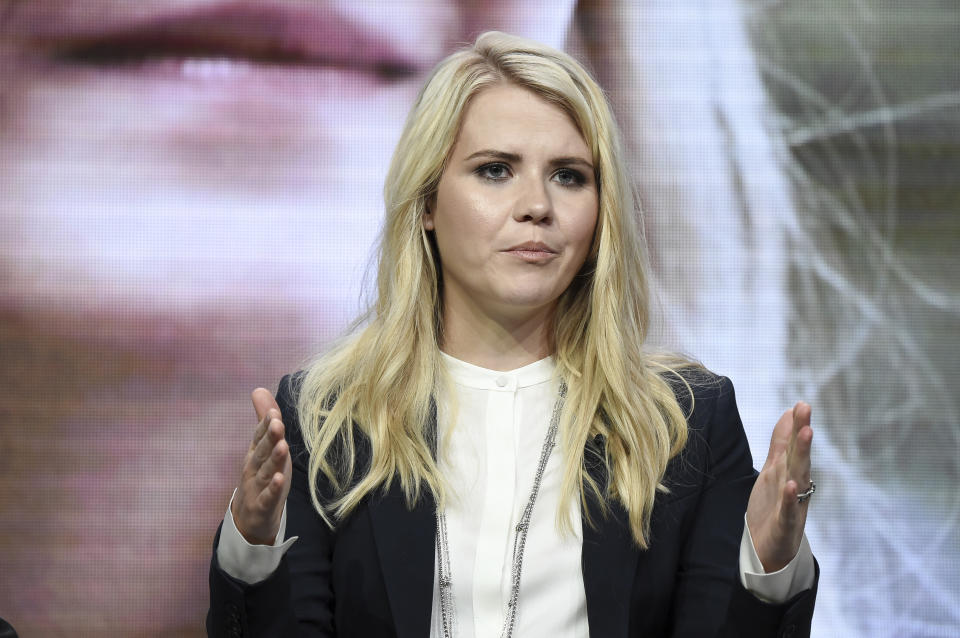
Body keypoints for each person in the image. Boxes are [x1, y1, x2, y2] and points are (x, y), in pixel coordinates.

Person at [207, 32, 817, 637]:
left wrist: (764, 567)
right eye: (495, 170)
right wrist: (254, 550)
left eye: (570, 176)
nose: (537, 206)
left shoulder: (683, 423)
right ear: (426, 202)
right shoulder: (329, 419)